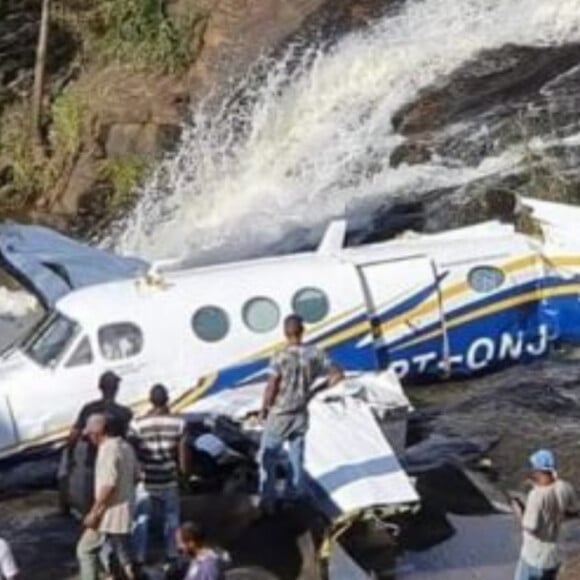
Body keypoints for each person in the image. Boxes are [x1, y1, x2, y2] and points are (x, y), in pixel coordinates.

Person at [258, 314, 343, 509]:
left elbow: (272, 386)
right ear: (302, 331)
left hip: (280, 413)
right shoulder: (316, 353)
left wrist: (263, 410)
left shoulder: (279, 356)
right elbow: (338, 375)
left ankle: (267, 499)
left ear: (285, 333)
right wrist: (315, 391)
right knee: (296, 455)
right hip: (301, 412)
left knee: (268, 456)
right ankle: (294, 493)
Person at [59, 371, 133, 514]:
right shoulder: (124, 413)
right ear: (116, 389)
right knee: (112, 502)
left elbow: (74, 434)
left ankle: (91, 523)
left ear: (100, 387)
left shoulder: (89, 409)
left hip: (92, 461)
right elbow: (127, 440)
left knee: (91, 501)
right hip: (113, 462)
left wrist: (69, 454)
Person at [76, 413, 139, 580]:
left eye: (90, 434)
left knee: (85, 550)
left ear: (99, 431)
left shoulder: (107, 449)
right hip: (125, 511)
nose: (90, 438)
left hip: (108, 514)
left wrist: (94, 512)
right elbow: (136, 476)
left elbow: (108, 485)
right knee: (121, 556)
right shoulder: (126, 446)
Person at [131, 384, 187, 567]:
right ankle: (172, 554)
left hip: (147, 479)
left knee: (141, 519)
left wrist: (136, 475)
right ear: (167, 399)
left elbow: (135, 451)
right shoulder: (179, 422)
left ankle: (139, 557)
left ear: (150, 400)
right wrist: (184, 475)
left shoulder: (138, 424)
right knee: (172, 518)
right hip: (169, 477)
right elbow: (183, 453)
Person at [513, 449, 578, 580]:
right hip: (554, 556)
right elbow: (574, 511)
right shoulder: (565, 487)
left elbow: (530, 527)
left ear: (538, 470)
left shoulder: (536, 496)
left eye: (533, 468)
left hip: (534, 557)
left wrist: (520, 512)